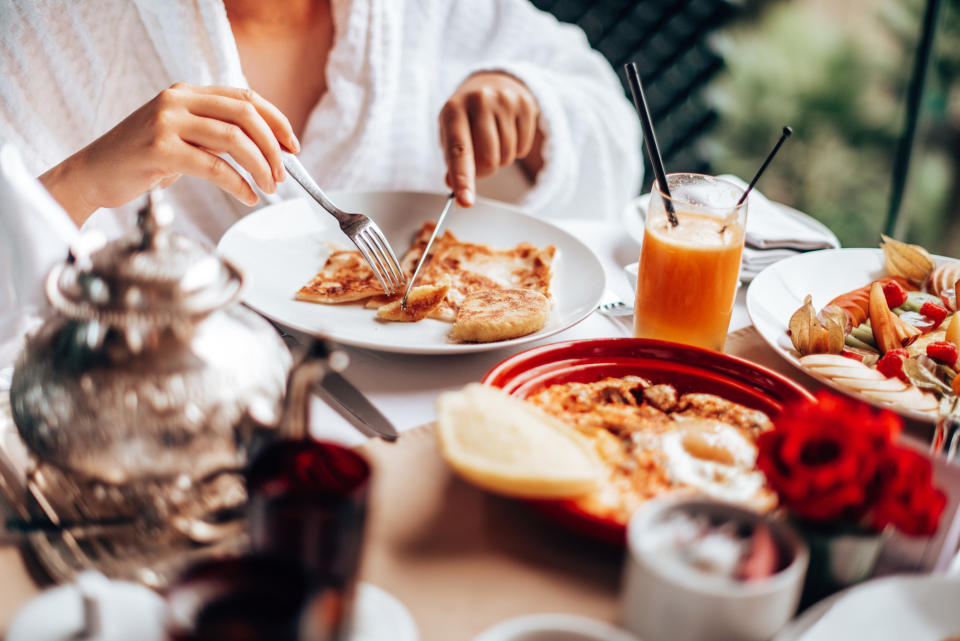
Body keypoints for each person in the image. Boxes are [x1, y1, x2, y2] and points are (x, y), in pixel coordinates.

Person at [0, 0, 641, 245]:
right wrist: (80, 181)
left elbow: (613, 136)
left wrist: (527, 102)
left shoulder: (433, 12)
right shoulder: (50, 29)